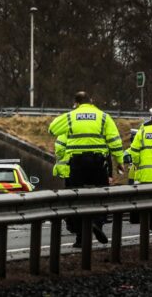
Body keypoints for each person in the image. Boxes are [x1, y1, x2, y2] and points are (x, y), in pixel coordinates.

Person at [49, 91, 126, 247]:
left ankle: (80, 238)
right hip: (98, 163)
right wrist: (119, 161)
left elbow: (52, 130)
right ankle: (97, 222)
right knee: (101, 196)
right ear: (91, 102)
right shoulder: (103, 117)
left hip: (76, 163)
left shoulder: (71, 116)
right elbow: (114, 140)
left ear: (76, 103)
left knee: (75, 199)